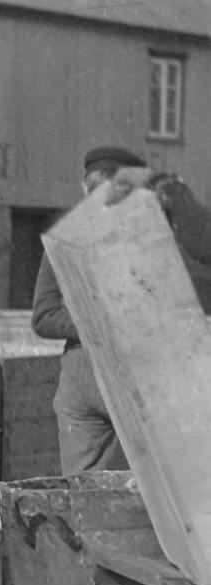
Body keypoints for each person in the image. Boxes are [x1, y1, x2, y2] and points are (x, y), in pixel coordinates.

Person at [33, 146, 211, 474]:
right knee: (162, 490)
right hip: (126, 375)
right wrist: (102, 324)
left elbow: (44, 317)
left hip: (84, 379)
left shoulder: (68, 237)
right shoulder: (144, 236)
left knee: (84, 493)